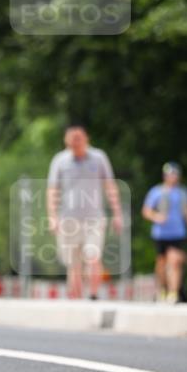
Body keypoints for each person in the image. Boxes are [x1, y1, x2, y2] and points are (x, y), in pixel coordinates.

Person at [46, 125, 123, 299]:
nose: (75, 143)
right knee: (73, 263)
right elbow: (52, 190)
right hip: (68, 218)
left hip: (94, 217)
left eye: (78, 139)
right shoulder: (60, 160)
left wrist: (117, 213)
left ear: (86, 138)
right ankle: (76, 297)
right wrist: (52, 217)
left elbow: (110, 185)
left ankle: (93, 294)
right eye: (72, 139)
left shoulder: (99, 158)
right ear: (66, 141)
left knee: (93, 256)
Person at [142, 162, 187, 303]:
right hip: (161, 233)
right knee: (162, 263)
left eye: (175, 174)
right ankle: (162, 290)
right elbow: (146, 211)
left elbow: (186, 211)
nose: (172, 177)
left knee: (175, 261)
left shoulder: (183, 193)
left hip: (178, 233)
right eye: (169, 174)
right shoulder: (156, 192)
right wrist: (156, 217)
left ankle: (173, 292)